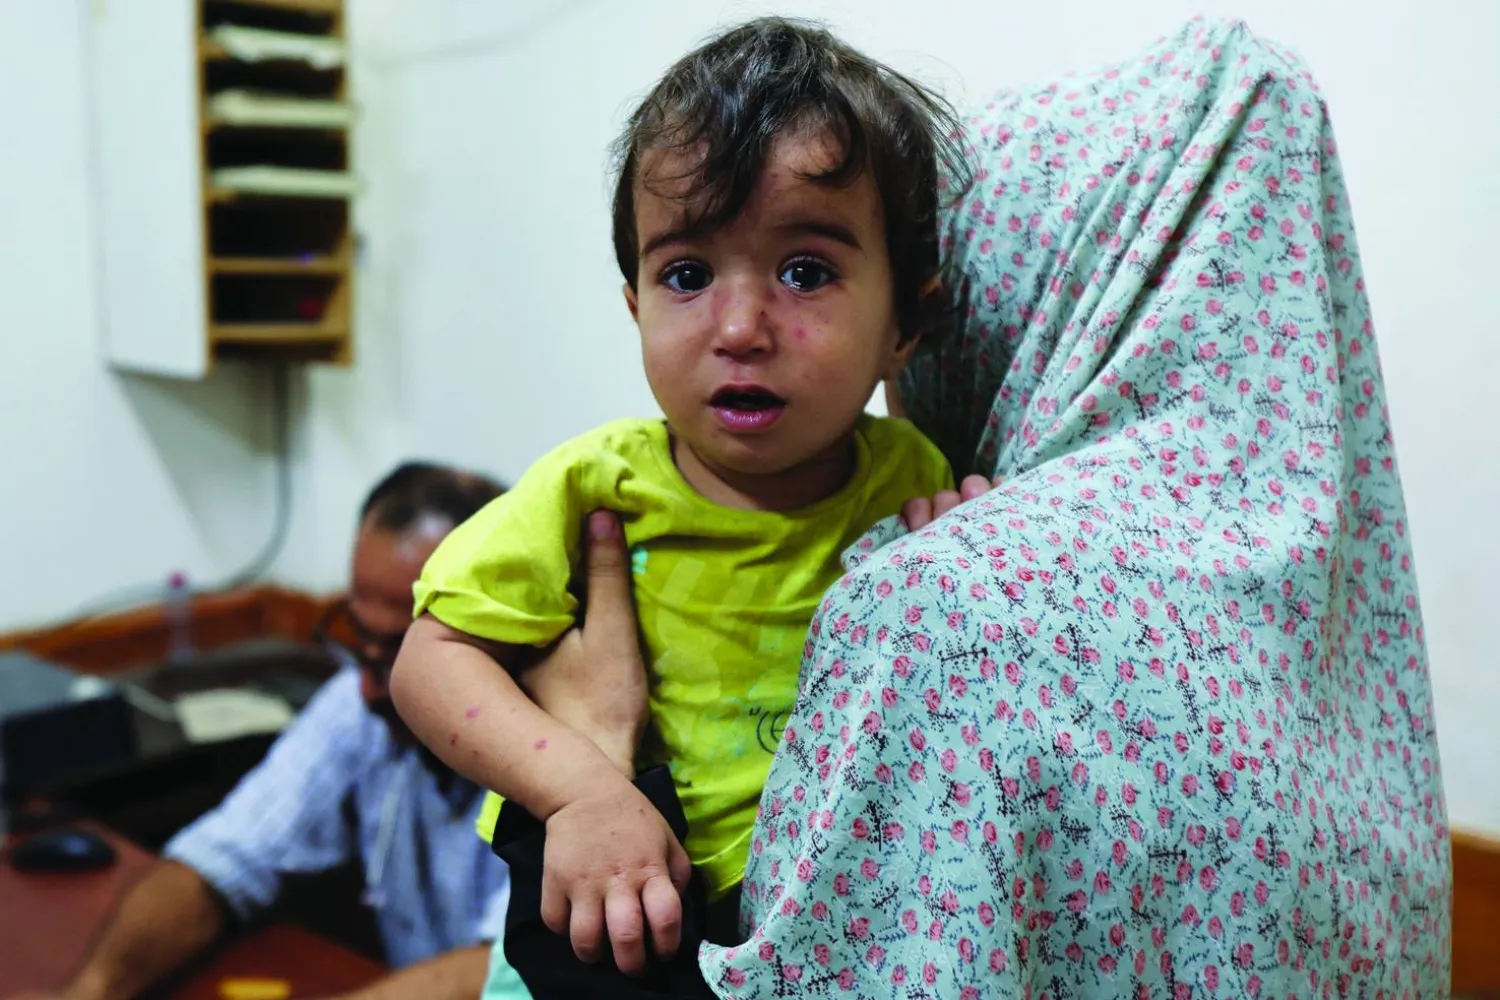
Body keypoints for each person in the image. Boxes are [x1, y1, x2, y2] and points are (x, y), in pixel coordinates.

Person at [684, 16, 1451, 998]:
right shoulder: (1333, 622)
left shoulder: (936, 608)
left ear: (951, 310)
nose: (746, 326)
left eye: (811, 273)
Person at [388, 17, 970, 999]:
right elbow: (430, 664)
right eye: (688, 275)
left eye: (806, 271)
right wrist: (580, 791)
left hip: (790, 917)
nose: (740, 329)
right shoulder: (595, 487)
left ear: (905, 324)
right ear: (636, 308)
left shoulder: (910, 468)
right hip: (594, 904)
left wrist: (976, 541)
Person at [11, 463, 546, 1000]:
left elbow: (513, 966)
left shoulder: (560, 748)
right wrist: (89, 993)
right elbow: (224, 856)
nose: (368, 689)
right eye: (359, 637)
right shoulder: (362, 701)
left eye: (401, 652)